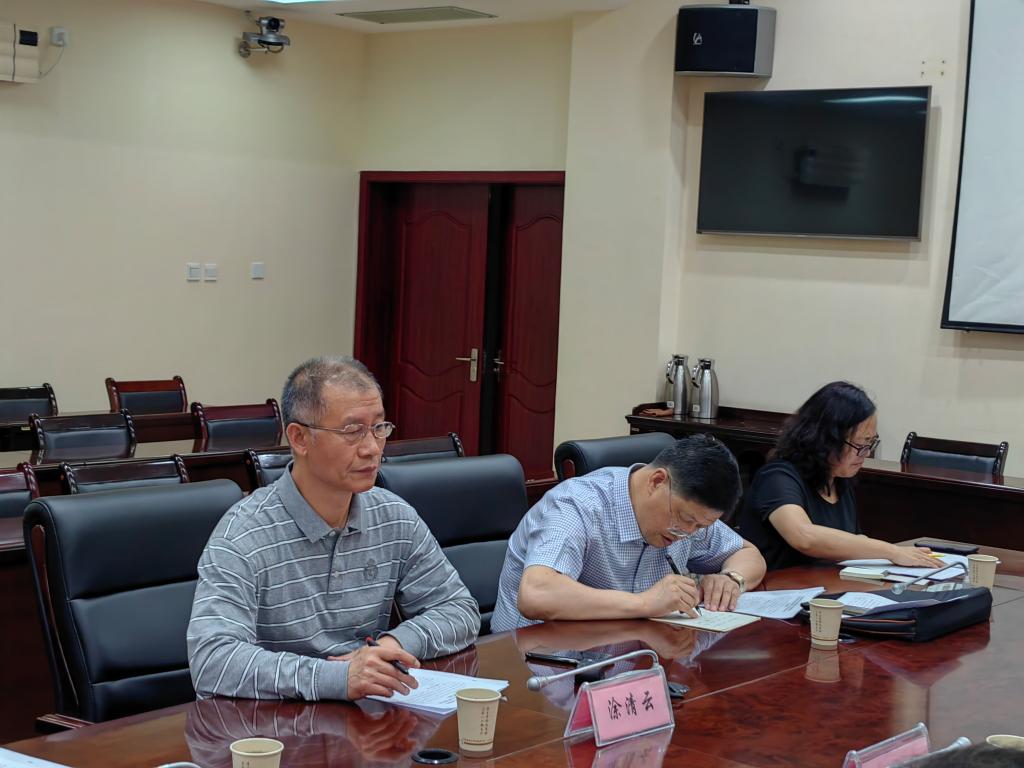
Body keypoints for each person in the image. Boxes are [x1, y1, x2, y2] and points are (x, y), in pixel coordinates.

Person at [187, 356, 480, 702]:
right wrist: (336, 677)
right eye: (352, 431)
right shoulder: (243, 535)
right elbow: (213, 661)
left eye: (379, 428)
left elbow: (459, 610)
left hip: (363, 716)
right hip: (272, 722)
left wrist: (391, 644)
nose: (371, 448)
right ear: (299, 438)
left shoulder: (394, 516)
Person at [490, 434, 766, 632]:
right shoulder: (576, 506)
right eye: (685, 519)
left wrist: (731, 579)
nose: (687, 533)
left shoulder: (691, 517)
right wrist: (645, 603)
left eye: (701, 527)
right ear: (657, 481)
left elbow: (748, 554)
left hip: (626, 657)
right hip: (537, 664)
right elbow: (537, 593)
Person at [737, 381, 939, 570]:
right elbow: (804, 537)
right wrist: (891, 551)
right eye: (860, 444)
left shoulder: (839, 480)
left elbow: (852, 541)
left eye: (870, 443)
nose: (866, 453)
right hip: (776, 589)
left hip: (825, 586)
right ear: (825, 440)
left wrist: (903, 555)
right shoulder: (777, 477)